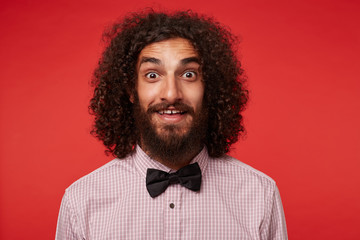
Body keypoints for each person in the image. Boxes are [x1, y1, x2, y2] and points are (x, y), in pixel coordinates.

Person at [56, 10, 287, 239]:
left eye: (188, 74)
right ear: (131, 90)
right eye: (152, 75)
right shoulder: (82, 201)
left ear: (209, 87)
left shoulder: (259, 195)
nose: (171, 93)